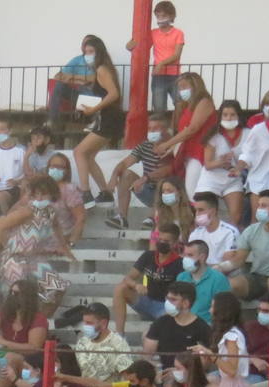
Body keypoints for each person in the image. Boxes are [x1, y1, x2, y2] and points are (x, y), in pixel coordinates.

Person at [0, 175, 74, 311]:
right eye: (37, 194)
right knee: (19, 296)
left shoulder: (50, 211)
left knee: (57, 288)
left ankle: (40, 325)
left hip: (34, 259)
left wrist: (64, 247)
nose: (40, 197)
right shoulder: (26, 211)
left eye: (44, 194)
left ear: (52, 194)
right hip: (15, 259)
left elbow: (56, 227)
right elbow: (0, 224)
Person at [71, 36, 124, 207]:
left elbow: (113, 93)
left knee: (79, 152)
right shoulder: (103, 69)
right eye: (85, 52)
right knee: (88, 156)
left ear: (99, 51)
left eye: (91, 51)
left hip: (108, 119)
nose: (87, 55)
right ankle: (105, 192)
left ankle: (86, 193)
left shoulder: (102, 69)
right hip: (109, 118)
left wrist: (93, 109)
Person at [105, 112, 174, 230]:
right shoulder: (144, 146)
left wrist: (144, 178)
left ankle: (153, 218)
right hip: (147, 189)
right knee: (126, 174)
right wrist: (113, 177)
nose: (152, 132)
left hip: (169, 194)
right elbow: (124, 163)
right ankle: (122, 218)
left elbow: (167, 170)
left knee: (164, 182)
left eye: (156, 128)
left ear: (166, 130)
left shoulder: (173, 146)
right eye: (150, 128)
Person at [113, 221, 184, 332]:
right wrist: (136, 285)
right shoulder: (148, 256)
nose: (161, 243)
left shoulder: (179, 263)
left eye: (166, 241)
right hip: (146, 300)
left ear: (175, 243)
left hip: (165, 306)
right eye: (160, 240)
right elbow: (128, 278)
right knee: (120, 288)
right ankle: (119, 335)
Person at [160, 71, 216, 198]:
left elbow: (192, 129)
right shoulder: (187, 107)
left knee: (193, 192)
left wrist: (168, 144)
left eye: (184, 86)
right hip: (189, 152)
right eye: (179, 88)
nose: (181, 90)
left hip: (199, 152)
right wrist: (173, 148)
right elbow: (183, 132)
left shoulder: (204, 102)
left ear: (195, 86)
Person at [201, 290, 253, 387]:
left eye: (213, 307)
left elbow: (231, 370)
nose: (210, 310)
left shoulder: (232, 336)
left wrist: (211, 355)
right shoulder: (231, 334)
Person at [127, 2, 185, 114]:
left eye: (163, 16)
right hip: (158, 76)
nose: (160, 19)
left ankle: (177, 129)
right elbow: (141, 47)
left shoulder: (178, 33)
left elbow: (177, 55)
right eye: (158, 16)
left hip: (175, 75)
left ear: (171, 16)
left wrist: (161, 64)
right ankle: (161, 130)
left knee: (180, 105)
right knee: (159, 108)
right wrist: (131, 45)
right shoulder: (153, 33)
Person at [224, 189, 269, 301]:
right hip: (257, 277)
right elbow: (238, 260)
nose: (259, 209)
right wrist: (218, 268)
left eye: (264, 206)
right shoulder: (251, 230)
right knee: (230, 285)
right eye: (259, 205)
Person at [199, 101, 247, 228]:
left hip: (232, 179)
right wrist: (221, 162)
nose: (229, 118)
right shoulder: (213, 135)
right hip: (211, 179)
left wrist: (237, 167)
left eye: (232, 115)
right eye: (225, 115)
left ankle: (230, 241)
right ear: (220, 117)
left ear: (239, 116)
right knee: (204, 215)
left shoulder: (248, 133)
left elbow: (251, 156)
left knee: (236, 216)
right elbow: (208, 164)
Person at [143, 281, 209, 368]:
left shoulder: (202, 327)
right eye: (167, 299)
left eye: (173, 300)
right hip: (165, 374)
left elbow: (206, 362)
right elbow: (147, 356)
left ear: (186, 303)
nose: (168, 303)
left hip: (190, 376)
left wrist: (181, 372)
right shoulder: (160, 323)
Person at [234, 95, 269, 203]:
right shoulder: (258, 130)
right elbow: (247, 154)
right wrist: (238, 168)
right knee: (257, 217)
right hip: (261, 180)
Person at [175, 239, 230, 322]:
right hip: (183, 324)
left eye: (190, 255)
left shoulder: (219, 279)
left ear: (202, 257)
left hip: (206, 327)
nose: (185, 259)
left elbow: (222, 312)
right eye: (185, 255)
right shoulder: (181, 277)